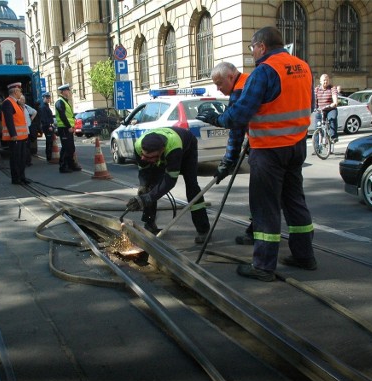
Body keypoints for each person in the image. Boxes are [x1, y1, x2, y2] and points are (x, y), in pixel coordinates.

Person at [196, 26, 317, 282]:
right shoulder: (302, 67)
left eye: (252, 48)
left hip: (269, 150)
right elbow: (310, 105)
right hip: (296, 146)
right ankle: (305, 256)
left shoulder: (263, 71)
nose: (252, 53)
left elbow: (240, 114)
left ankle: (263, 266)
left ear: (261, 46)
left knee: (265, 208)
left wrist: (217, 119)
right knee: (295, 202)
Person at [126, 127, 211, 244]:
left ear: (161, 151)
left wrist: (147, 198)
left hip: (187, 149)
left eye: (149, 157)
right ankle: (150, 225)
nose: (144, 159)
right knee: (148, 188)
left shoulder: (173, 149)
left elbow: (170, 181)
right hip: (161, 152)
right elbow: (144, 171)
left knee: (192, 187)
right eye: (143, 156)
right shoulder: (139, 147)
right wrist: (143, 189)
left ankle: (203, 229)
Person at [209, 61, 253, 246]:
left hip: (266, 149)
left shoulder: (240, 90)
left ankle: (257, 234)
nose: (218, 89)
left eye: (219, 84)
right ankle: (302, 249)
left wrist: (228, 162)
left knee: (261, 196)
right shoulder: (249, 80)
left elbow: (236, 128)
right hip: (287, 145)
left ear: (230, 77)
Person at [1, 82, 29, 184]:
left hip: (21, 137)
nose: (21, 93)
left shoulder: (16, 103)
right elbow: (9, 120)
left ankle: (22, 177)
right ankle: (16, 178)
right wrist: (13, 134)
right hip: (15, 138)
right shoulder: (7, 103)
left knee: (22, 158)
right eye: (20, 91)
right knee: (16, 159)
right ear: (15, 91)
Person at [55, 84, 81, 173]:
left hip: (67, 128)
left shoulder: (65, 101)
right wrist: (69, 126)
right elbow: (62, 115)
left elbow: (69, 116)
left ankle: (71, 165)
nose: (69, 92)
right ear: (63, 92)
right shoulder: (60, 102)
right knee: (66, 148)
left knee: (71, 148)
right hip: (64, 128)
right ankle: (63, 166)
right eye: (67, 90)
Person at [314, 74, 339, 150]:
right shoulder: (317, 89)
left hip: (330, 108)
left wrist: (334, 103)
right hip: (320, 110)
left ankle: (333, 136)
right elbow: (314, 100)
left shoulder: (332, 88)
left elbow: (335, 98)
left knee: (332, 118)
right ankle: (317, 148)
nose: (326, 81)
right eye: (324, 80)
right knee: (317, 128)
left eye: (327, 80)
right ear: (320, 81)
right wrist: (314, 107)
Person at [18, 95, 37, 167]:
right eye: (21, 99)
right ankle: (23, 161)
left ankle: (28, 161)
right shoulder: (17, 107)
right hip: (20, 131)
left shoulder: (26, 107)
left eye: (23, 99)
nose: (23, 101)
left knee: (27, 147)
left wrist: (31, 119)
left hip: (27, 130)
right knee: (23, 147)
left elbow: (35, 111)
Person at [39, 92, 57, 164]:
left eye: (49, 98)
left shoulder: (46, 106)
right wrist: (49, 125)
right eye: (47, 98)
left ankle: (49, 156)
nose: (48, 99)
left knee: (50, 141)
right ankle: (49, 157)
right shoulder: (43, 107)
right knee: (49, 142)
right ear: (43, 98)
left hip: (48, 126)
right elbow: (44, 118)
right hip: (47, 127)